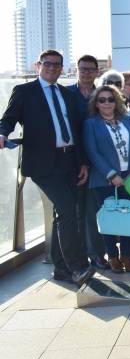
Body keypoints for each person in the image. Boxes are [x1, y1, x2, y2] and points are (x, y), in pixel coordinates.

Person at [0, 50, 94, 286]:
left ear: (63, 68)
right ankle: (78, 267)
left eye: (57, 65)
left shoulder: (67, 94)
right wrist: (2, 133)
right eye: (47, 64)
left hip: (70, 161)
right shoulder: (24, 92)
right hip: (43, 165)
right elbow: (8, 118)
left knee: (63, 214)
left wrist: (83, 162)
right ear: (38, 65)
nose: (52, 68)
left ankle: (61, 269)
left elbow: (77, 130)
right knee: (68, 212)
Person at [82, 85, 130, 273]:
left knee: (129, 218)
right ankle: (113, 256)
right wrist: (111, 174)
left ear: (116, 101)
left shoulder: (128, 120)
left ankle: (126, 255)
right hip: (104, 180)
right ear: (96, 103)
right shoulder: (91, 123)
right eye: (102, 100)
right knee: (109, 220)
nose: (107, 103)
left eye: (110, 99)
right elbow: (93, 152)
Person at [67, 54, 107, 269]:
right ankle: (78, 255)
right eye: (83, 69)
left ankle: (97, 254)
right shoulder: (66, 93)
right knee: (75, 211)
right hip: (72, 160)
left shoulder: (102, 95)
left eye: (91, 69)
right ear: (76, 70)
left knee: (94, 210)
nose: (86, 72)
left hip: (98, 160)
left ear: (96, 71)